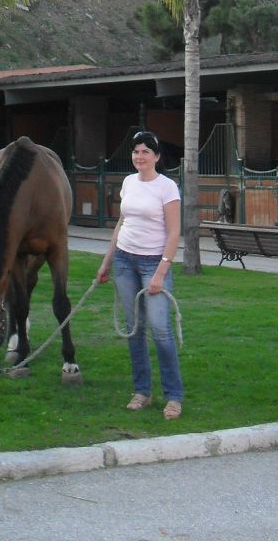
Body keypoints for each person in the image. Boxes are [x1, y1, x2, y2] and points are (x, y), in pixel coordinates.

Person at [97, 129, 183, 419]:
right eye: (136, 151)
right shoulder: (128, 183)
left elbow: (174, 234)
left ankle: (173, 396)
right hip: (124, 260)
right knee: (135, 330)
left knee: (160, 329)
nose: (140, 156)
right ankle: (142, 392)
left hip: (152, 264)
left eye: (146, 151)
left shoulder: (167, 187)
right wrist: (106, 262)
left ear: (157, 156)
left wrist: (161, 272)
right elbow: (121, 224)